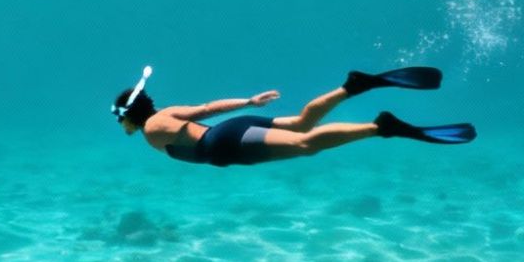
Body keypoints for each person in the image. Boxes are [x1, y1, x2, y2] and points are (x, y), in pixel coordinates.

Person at [112, 65, 474, 168]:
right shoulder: (166, 114)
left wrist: (249, 102)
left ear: (131, 115)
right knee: (302, 123)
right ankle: (353, 86)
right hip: (228, 133)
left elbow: (207, 111)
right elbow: (207, 109)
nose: (121, 125)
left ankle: (381, 127)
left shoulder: (152, 129)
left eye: (120, 118)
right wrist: (250, 102)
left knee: (304, 144)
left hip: (225, 143)